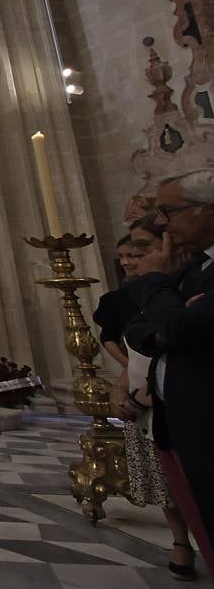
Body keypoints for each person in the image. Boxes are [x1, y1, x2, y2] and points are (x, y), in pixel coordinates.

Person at [125, 170, 214, 563]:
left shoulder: (172, 272)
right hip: (188, 421)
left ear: (207, 210)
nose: (163, 222)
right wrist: (168, 325)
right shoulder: (189, 268)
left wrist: (168, 318)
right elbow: (141, 327)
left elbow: (177, 327)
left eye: (169, 211)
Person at [104, 221, 197, 580]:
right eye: (125, 254)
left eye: (139, 251)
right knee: (166, 480)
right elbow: (128, 340)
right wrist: (123, 381)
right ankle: (180, 541)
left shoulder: (189, 287)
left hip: (183, 397)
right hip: (144, 397)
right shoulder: (129, 296)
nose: (130, 260)